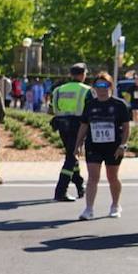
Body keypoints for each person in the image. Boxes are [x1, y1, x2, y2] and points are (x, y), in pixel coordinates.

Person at [73, 72, 130, 220]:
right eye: (98, 85)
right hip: (94, 146)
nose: (102, 88)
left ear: (110, 86)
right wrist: (78, 144)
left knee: (112, 177)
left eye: (105, 85)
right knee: (93, 177)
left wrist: (123, 145)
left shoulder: (119, 105)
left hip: (113, 147)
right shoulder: (90, 105)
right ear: (94, 88)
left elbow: (126, 127)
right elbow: (84, 126)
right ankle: (89, 209)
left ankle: (115, 205)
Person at [48, 63, 90, 202]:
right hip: (78, 126)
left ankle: (79, 185)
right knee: (71, 157)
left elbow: (52, 109)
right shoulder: (86, 90)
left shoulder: (58, 90)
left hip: (62, 126)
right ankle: (61, 190)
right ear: (82, 74)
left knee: (72, 154)